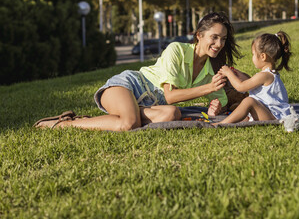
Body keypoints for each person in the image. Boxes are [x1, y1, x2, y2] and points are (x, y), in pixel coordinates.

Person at [34, 12, 241, 131]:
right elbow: (170, 95)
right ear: (199, 36)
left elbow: (220, 102)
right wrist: (207, 90)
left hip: (148, 104)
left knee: (172, 114)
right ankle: (66, 124)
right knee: (129, 123)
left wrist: (217, 107)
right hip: (128, 86)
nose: (219, 43)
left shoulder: (209, 70)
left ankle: (120, 114)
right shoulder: (177, 49)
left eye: (223, 39)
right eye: (214, 37)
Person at [216, 30, 292, 124]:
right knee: (241, 111)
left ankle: (221, 124)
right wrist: (237, 73)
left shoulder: (265, 75)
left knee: (249, 101)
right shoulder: (268, 74)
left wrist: (228, 73)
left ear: (263, 56)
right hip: (267, 113)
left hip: (272, 116)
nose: (252, 57)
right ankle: (235, 119)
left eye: (253, 54)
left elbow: (241, 87)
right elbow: (250, 82)